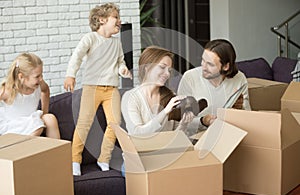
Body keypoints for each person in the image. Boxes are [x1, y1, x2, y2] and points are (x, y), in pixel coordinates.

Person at [64, 3, 132, 176]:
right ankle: (75, 160)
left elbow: (120, 62)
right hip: (92, 87)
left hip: (111, 89)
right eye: (115, 17)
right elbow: (77, 56)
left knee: (115, 124)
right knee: (84, 123)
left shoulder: (116, 43)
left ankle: (103, 158)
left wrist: (122, 70)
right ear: (102, 20)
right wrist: (70, 75)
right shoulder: (90, 38)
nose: (119, 20)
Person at [177, 39, 251, 133]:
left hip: (227, 135)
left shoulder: (239, 78)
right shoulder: (190, 78)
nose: (203, 67)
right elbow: (181, 121)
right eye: (203, 60)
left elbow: (248, 117)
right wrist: (203, 121)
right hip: (195, 138)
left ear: (225, 66)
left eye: (210, 64)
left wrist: (239, 110)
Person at [121, 46, 194, 136]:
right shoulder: (130, 97)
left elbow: (175, 138)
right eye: (162, 67)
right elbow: (137, 134)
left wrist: (183, 125)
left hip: (166, 150)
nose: (167, 74)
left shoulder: (171, 96)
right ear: (147, 67)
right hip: (139, 150)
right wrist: (165, 112)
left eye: (169, 70)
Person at [0, 53, 60, 139]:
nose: (41, 79)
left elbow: (45, 91)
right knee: (37, 128)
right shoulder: (8, 90)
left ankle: (59, 150)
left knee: (50, 118)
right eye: (37, 76)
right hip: (13, 124)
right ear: (21, 77)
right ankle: (23, 148)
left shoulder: (39, 84)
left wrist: (44, 112)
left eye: (41, 75)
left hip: (31, 119)